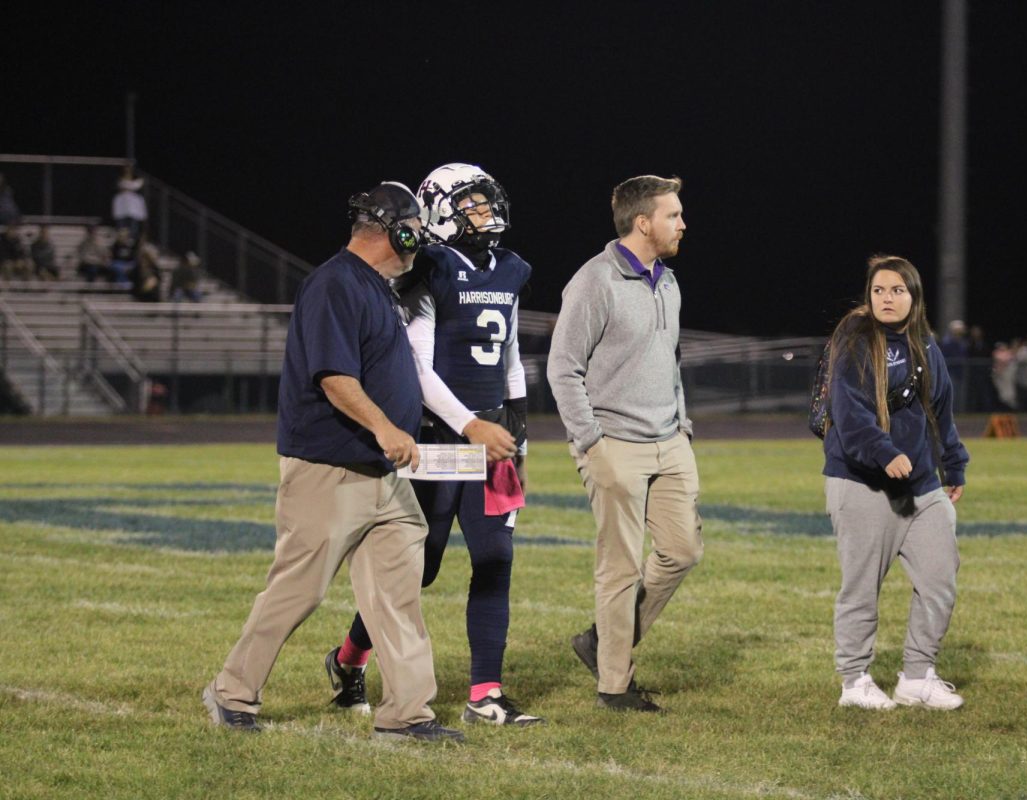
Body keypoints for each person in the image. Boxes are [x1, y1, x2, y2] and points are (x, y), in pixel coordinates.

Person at [203, 181, 464, 743]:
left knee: (398, 594)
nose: (420, 237)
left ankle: (407, 715)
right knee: (299, 589)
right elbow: (333, 377)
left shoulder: (376, 288)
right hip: (330, 467)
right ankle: (231, 691)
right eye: (414, 226)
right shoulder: (334, 284)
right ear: (394, 228)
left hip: (381, 474)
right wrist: (385, 425)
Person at [324, 163, 541, 727]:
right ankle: (349, 660)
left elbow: (509, 345)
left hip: (493, 438)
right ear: (442, 210)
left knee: (496, 558)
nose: (484, 212)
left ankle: (485, 694)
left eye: (486, 201)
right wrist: (471, 423)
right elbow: (417, 364)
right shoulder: (432, 267)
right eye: (471, 203)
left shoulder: (511, 268)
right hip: (441, 435)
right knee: (419, 566)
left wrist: (516, 415)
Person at [547, 175, 702, 713]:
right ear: (644, 223)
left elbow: (672, 363)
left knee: (682, 552)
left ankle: (601, 641)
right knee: (621, 568)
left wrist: (681, 425)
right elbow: (562, 369)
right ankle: (614, 685)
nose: (682, 223)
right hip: (614, 444)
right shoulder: (594, 281)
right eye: (673, 215)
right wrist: (591, 444)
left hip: (670, 442)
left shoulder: (669, 281)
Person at [823, 254, 969, 711]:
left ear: (914, 296)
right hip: (863, 482)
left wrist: (954, 464)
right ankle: (854, 682)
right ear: (869, 296)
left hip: (921, 487)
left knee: (940, 578)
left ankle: (917, 677)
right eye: (879, 290)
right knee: (862, 586)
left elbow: (941, 411)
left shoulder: (927, 346)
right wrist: (884, 453)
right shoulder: (854, 341)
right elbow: (849, 410)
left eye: (897, 290)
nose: (888, 298)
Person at [112, 165, 148, 241]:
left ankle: (131, 238)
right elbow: (123, 184)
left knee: (132, 226)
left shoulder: (136, 197)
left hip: (132, 213)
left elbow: (137, 184)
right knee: (122, 227)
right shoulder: (119, 196)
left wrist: (143, 216)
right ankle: (122, 239)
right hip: (122, 212)